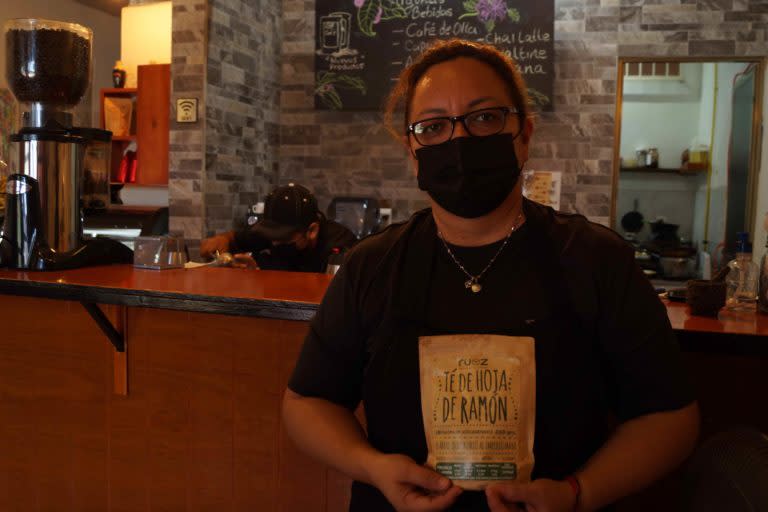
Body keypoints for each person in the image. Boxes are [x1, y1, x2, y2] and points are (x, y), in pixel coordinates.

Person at [283, 39, 699, 512]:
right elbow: (306, 403)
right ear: (412, 150)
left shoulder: (596, 259)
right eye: (434, 126)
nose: (459, 142)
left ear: (524, 134)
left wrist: (577, 493)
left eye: (484, 118)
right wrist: (371, 466)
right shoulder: (370, 265)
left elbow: (670, 417)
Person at [200, 183, 357, 272]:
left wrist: (260, 271)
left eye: (283, 237)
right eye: (271, 236)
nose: (274, 243)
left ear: (312, 231)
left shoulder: (339, 247)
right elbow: (233, 238)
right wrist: (221, 241)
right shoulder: (270, 234)